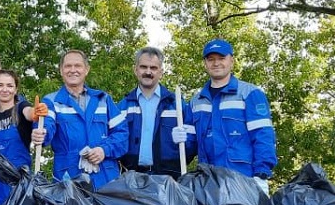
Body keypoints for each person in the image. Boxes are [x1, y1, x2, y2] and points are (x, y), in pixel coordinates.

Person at [179, 38, 277, 194]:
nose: (216, 63)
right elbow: (190, 146)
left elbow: (263, 136)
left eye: (221, 58)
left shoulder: (250, 94)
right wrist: (180, 140)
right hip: (208, 184)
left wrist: (261, 174)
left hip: (244, 181)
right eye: (211, 59)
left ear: (232, 61)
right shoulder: (196, 101)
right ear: (205, 63)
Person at [35, 49, 128, 188]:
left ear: (86, 69)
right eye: (68, 66)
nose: (73, 70)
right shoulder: (51, 101)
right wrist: (40, 134)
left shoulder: (103, 99)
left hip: (105, 179)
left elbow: (122, 134)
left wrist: (104, 150)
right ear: (61, 70)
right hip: (69, 179)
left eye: (77, 66)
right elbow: (46, 126)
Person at [118, 46, 195, 179]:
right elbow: (115, 140)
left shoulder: (177, 105)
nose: (148, 72)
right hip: (132, 178)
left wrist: (186, 142)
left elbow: (193, 142)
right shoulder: (123, 106)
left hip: (169, 178)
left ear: (161, 72)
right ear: (135, 70)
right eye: (143, 67)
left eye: (153, 68)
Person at [0, 69, 39, 205]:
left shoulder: (21, 108)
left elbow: (29, 112)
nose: (5, 89)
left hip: (19, 184)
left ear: (16, 89)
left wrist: (35, 112)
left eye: (10, 86)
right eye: (0, 85)